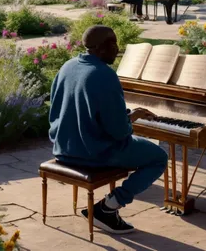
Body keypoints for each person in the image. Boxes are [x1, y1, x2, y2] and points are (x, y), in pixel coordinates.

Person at [48, 25, 168, 235]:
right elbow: (119, 132)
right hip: (94, 153)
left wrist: (129, 115)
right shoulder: (104, 74)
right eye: (113, 43)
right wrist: (130, 119)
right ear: (103, 47)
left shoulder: (67, 66)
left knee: (141, 147)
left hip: (64, 149)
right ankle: (108, 207)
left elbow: (61, 111)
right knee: (158, 157)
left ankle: (107, 207)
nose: (117, 48)